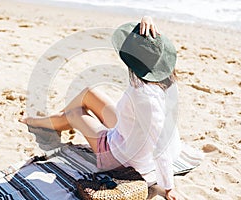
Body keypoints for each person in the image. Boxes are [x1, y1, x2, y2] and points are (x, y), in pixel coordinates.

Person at [20, 16, 182, 200]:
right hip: (132, 135)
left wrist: (169, 188)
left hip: (121, 160)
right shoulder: (165, 81)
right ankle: (57, 118)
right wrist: (147, 20)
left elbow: (161, 144)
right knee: (89, 92)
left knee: (75, 114)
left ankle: (42, 122)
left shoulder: (144, 97)